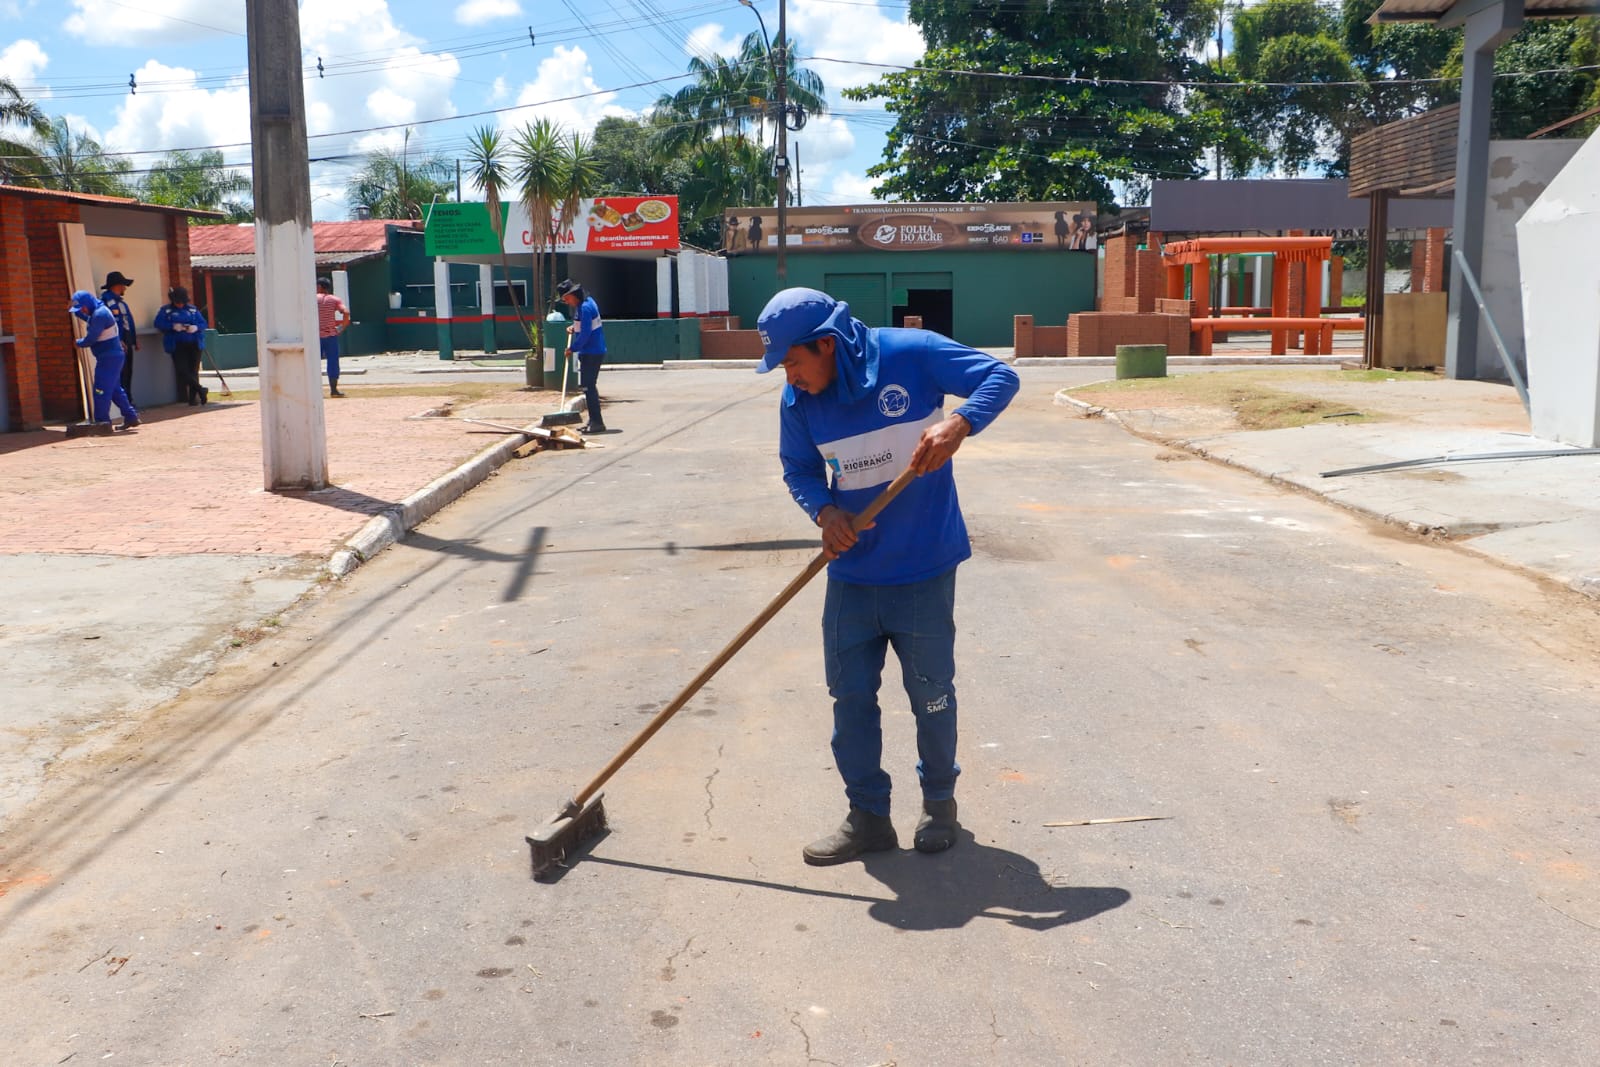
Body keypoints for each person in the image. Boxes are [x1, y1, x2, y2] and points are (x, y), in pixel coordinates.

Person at [756, 287, 1019, 866]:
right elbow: (799, 468)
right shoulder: (798, 404)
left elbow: (1000, 376)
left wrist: (962, 422)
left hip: (923, 568)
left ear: (826, 345)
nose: (789, 377)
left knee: (931, 695)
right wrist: (825, 513)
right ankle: (868, 817)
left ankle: (939, 806)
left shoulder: (911, 352)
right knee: (850, 698)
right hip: (851, 574)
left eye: (793, 363)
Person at [69, 289, 140, 429]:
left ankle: (102, 423)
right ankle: (131, 417)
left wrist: (78, 343)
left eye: (82, 307)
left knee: (100, 389)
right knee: (114, 389)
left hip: (109, 359)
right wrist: (75, 311)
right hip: (111, 357)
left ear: (88, 303)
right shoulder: (97, 312)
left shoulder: (100, 315)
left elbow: (91, 339)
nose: (82, 310)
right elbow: (87, 318)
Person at [556, 278, 607, 434]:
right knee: (588, 387)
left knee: (588, 387)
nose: (566, 302)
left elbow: (585, 334)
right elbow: (585, 325)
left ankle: (597, 422)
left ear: (573, 294)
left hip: (591, 352)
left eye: (566, 298)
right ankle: (593, 421)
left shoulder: (585, 308)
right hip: (593, 351)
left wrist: (572, 348)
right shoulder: (587, 303)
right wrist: (574, 327)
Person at [155, 286, 209, 406]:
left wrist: (195, 328)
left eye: (182, 302)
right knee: (182, 370)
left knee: (193, 371)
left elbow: (203, 323)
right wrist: (173, 326)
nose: (180, 304)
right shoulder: (166, 310)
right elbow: (158, 323)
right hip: (177, 344)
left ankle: (193, 399)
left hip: (194, 343)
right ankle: (201, 389)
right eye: (177, 302)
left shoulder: (193, 310)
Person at [101, 271, 139, 404]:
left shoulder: (122, 303)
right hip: (117, 343)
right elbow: (110, 324)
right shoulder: (106, 302)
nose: (124, 288)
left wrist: (134, 340)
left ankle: (129, 400)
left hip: (127, 341)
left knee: (128, 372)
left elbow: (129, 322)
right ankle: (123, 403)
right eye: (123, 285)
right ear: (116, 285)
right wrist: (118, 340)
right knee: (120, 374)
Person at [315, 277, 349, 397]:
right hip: (331, 335)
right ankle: (333, 390)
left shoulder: (313, 299)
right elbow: (346, 312)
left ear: (319, 287)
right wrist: (341, 328)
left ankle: (314, 391)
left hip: (315, 336)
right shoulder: (335, 299)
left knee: (313, 363)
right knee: (333, 362)